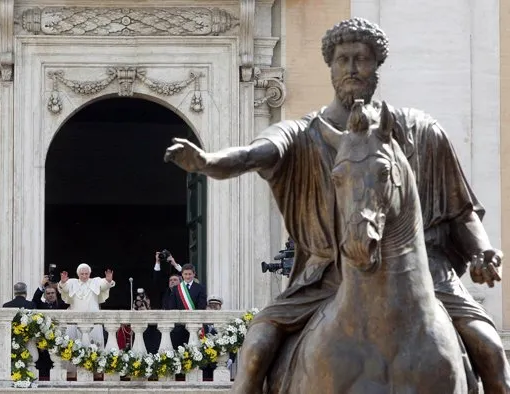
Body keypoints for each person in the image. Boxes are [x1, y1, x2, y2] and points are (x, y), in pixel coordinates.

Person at [165, 17, 510, 394]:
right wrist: (209, 162)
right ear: (329, 67)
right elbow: (252, 154)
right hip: (325, 275)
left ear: (376, 66)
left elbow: (462, 212)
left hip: (424, 273)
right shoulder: (302, 135)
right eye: (342, 59)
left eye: (361, 59)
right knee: (255, 349)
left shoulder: (422, 132)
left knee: (491, 350)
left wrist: (483, 251)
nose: (351, 68)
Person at [58, 263, 115, 346]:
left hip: (93, 318)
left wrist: (108, 280)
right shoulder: (72, 282)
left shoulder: (95, 281)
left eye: (86, 274)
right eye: (82, 274)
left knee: (94, 345)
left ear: (89, 273)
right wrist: (63, 282)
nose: (84, 276)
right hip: (76, 318)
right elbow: (65, 289)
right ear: (78, 274)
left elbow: (103, 285)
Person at [168, 264, 207, 348]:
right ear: (182, 274)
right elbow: (172, 307)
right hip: (179, 326)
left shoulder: (200, 288)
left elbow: (202, 306)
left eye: (189, 274)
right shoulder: (176, 289)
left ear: (194, 274)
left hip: (195, 325)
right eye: (185, 274)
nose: (187, 276)